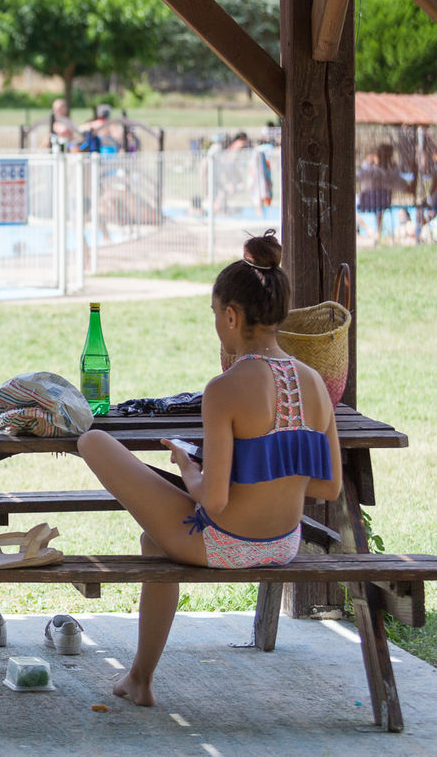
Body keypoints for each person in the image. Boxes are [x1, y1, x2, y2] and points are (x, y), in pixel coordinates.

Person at [76, 231, 341, 708]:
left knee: (93, 440)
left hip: (224, 543)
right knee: (154, 544)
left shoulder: (226, 386)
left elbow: (212, 501)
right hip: (283, 544)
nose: (216, 323)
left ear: (232, 316)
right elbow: (329, 484)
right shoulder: (316, 383)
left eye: (216, 314)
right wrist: (260, 466)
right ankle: (139, 679)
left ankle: (140, 678)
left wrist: (185, 463)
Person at [356, 144, 407, 242]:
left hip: (365, 204)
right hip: (384, 204)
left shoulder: (368, 170)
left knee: (351, 202)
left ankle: (369, 230)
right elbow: (405, 188)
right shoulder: (393, 174)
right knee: (380, 205)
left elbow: (356, 177)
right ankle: (377, 232)